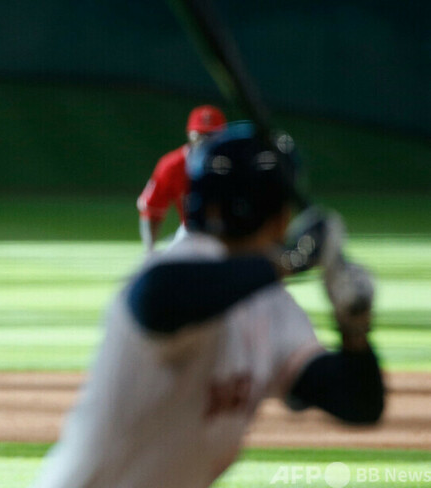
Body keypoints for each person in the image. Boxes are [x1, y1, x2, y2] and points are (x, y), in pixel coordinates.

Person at [31, 122, 384, 488]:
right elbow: (159, 297)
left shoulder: (270, 304)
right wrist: (292, 258)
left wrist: (354, 327)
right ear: (281, 219)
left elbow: (358, 404)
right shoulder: (176, 268)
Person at [136, 104, 226, 251]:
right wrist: (150, 251)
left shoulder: (237, 164)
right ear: (189, 134)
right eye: (200, 134)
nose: (205, 141)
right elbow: (151, 209)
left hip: (234, 234)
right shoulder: (172, 165)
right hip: (191, 232)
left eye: (212, 135)